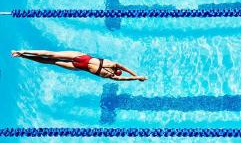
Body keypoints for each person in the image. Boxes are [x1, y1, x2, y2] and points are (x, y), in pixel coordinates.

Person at [11, 50, 147, 81]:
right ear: (117, 71)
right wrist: (137, 77)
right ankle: (23, 54)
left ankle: (22, 53)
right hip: (80, 63)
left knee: (52, 57)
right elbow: (126, 76)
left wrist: (137, 76)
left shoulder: (113, 66)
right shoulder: (112, 75)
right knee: (52, 59)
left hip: (81, 59)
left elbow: (126, 72)